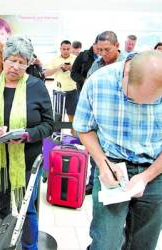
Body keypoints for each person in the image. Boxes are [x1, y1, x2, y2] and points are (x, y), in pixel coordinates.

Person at [0, 35, 54, 250]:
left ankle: (30, 246)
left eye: (22, 62)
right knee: (1, 205)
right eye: (12, 60)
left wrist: (27, 135)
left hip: (26, 161)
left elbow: (48, 125)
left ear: (28, 64)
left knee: (28, 209)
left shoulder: (36, 87)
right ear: (4, 59)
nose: (16, 66)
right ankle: (2, 242)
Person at [73, 51, 162, 250]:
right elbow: (83, 127)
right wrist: (102, 164)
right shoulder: (98, 82)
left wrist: (147, 176)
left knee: (144, 243)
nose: (139, 107)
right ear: (127, 72)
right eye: (134, 98)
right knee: (105, 242)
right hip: (111, 165)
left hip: (156, 170)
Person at [85, 31, 126, 195]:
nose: (102, 54)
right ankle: (95, 183)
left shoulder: (129, 64)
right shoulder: (97, 64)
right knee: (97, 154)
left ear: (117, 46)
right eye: (99, 50)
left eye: (106, 49)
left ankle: (121, 186)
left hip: (121, 121)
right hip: (100, 119)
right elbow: (89, 86)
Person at [44, 40, 77, 135]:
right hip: (58, 92)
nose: (66, 51)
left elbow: (81, 73)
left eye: (68, 49)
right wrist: (58, 67)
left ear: (71, 49)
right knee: (58, 116)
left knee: (73, 116)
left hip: (72, 91)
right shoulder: (54, 60)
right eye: (64, 49)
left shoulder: (75, 59)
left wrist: (71, 68)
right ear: (60, 49)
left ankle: (74, 138)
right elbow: (46, 74)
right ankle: (57, 137)